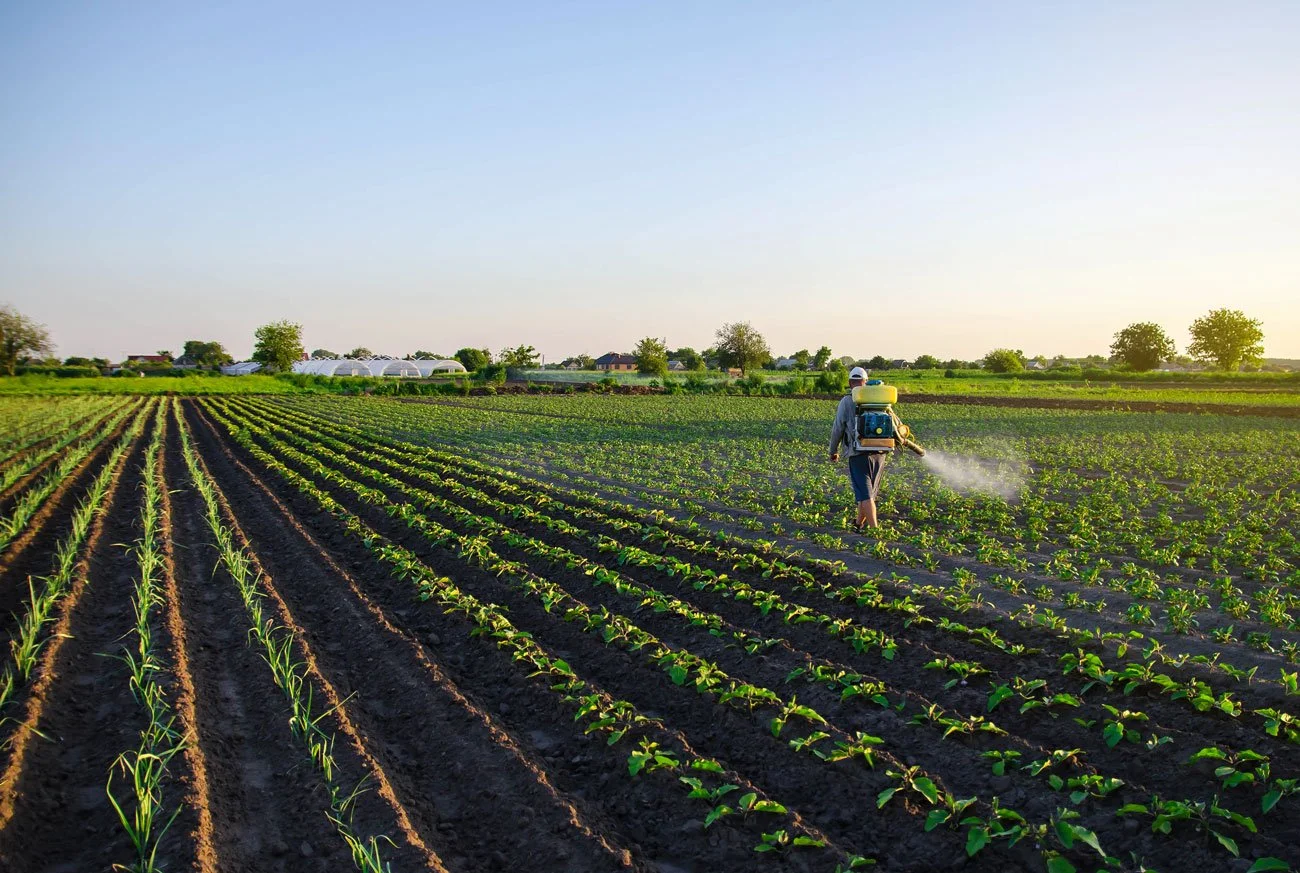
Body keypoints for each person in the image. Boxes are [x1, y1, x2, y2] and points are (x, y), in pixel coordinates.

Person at [829, 367, 888, 530]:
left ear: (849, 383)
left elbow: (838, 428)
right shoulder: (879, 400)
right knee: (867, 492)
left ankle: (875, 530)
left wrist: (833, 451)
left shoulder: (847, 401)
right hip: (880, 452)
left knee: (865, 493)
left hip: (858, 452)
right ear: (866, 381)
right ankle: (858, 523)